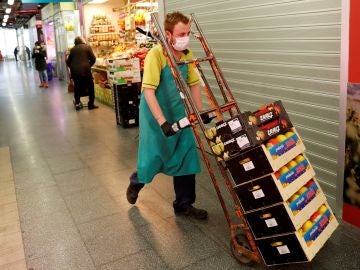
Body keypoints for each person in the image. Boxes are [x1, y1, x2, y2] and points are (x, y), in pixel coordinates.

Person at [126, 11, 208, 220]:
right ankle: (136, 182)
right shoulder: (157, 54)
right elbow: (148, 91)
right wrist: (162, 123)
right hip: (155, 115)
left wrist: (198, 111)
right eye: (181, 34)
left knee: (186, 155)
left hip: (178, 112)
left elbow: (194, 84)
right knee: (153, 156)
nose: (185, 38)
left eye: (187, 33)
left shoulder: (187, 55)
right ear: (169, 34)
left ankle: (183, 204)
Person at [66, 36, 98, 110]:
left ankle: (77, 103)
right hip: (86, 70)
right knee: (90, 87)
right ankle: (91, 104)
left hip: (75, 72)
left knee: (77, 87)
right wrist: (89, 65)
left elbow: (68, 62)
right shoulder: (87, 47)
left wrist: (72, 67)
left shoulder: (72, 49)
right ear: (82, 40)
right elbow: (93, 58)